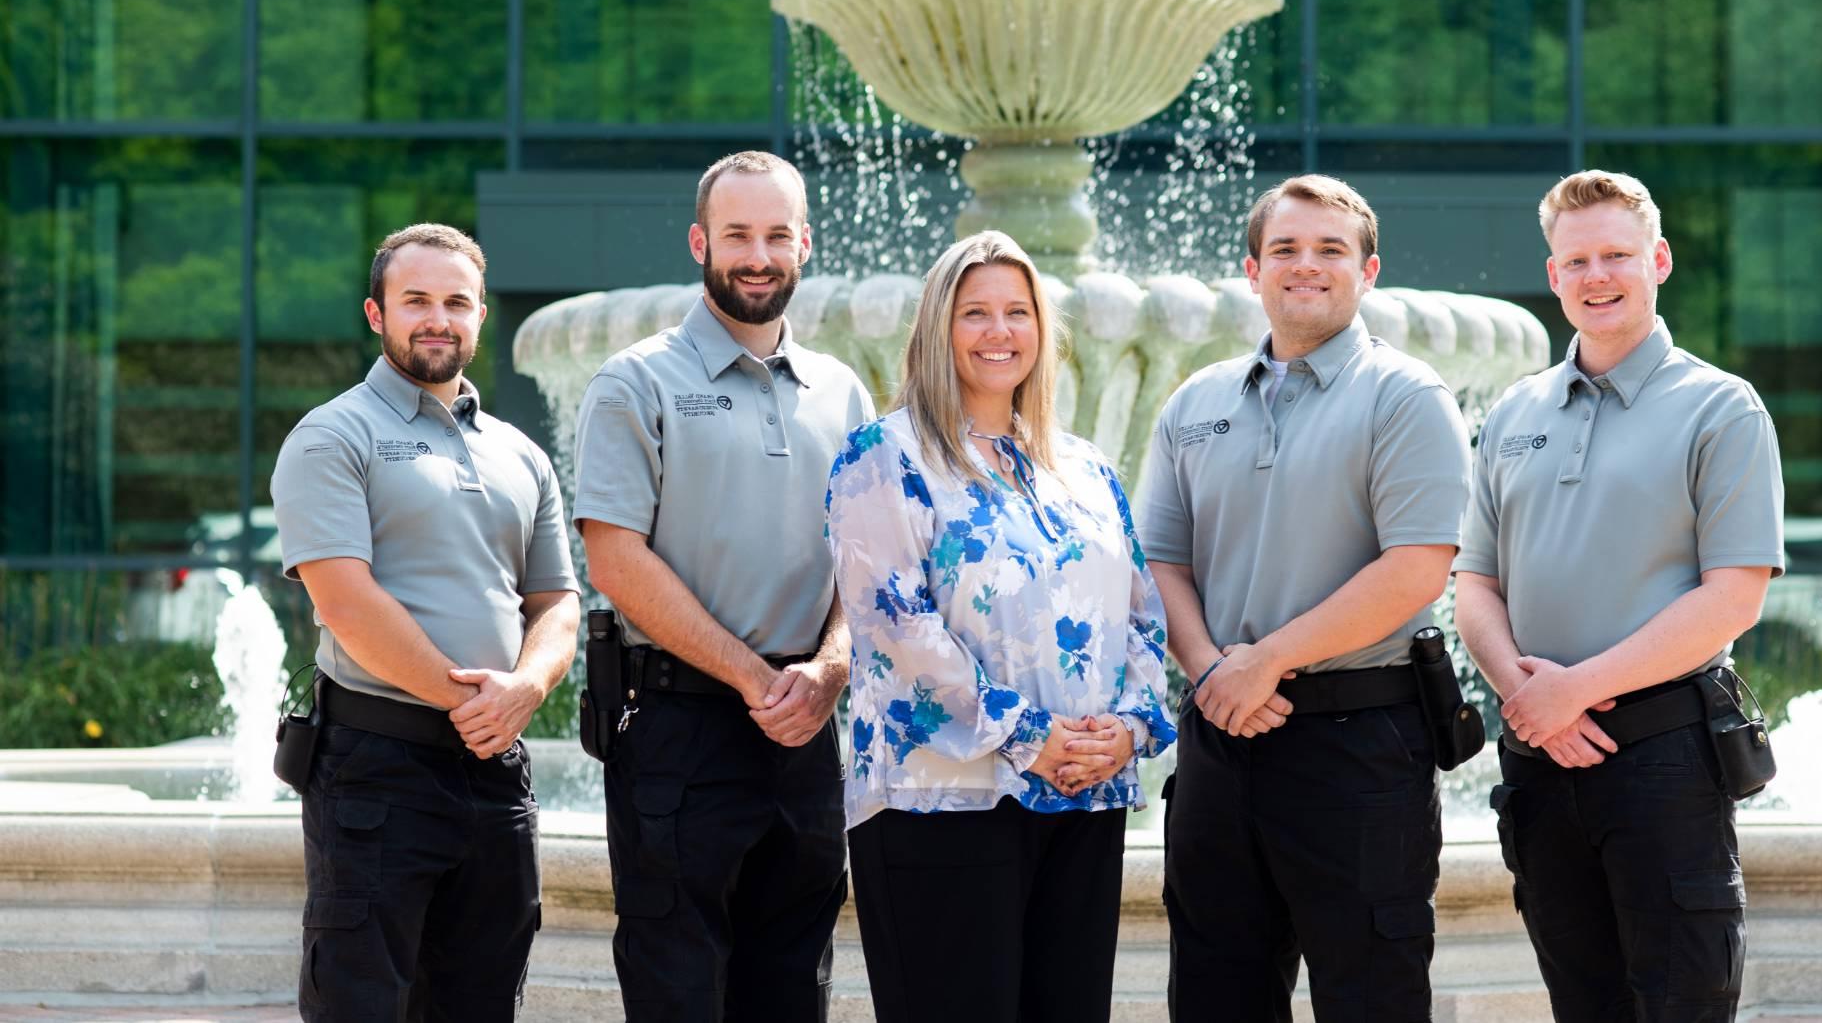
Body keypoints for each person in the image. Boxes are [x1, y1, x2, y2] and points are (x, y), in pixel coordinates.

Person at [1138, 174, 1472, 1021]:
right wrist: (1218, 673)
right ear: (1252, 270)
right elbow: (1157, 564)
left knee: (1371, 997)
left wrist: (1267, 663)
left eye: (1330, 250)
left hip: (1359, 749)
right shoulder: (1194, 404)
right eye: (1285, 249)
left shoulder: (1406, 398)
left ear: (1369, 270)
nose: (1306, 266)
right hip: (1220, 742)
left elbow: (1416, 569)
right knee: (1215, 995)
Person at [1453, 169, 1783, 1022]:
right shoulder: (1514, 412)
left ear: (1659, 260)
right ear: (1554, 274)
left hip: (1663, 755)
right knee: (1582, 1005)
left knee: (1681, 1002)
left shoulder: (1721, 408)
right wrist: (1531, 698)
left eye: (1616, 256)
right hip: (1536, 756)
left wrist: (1576, 689)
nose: (1597, 276)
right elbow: (1476, 584)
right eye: (1577, 260)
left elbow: (1734, 597)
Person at [825, 229, 1176, 1023]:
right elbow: (896, 627)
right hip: (943, 803)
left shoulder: (1083, 468)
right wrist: (1030, 736)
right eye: (974, 312)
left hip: (1084, 800)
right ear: (937, 328)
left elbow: (1140, 615)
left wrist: (1126, 729)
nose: (999, 332)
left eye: (1018, 312)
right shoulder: (885, 455)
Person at [571, 151, 874, 1021]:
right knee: (679, 988)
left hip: (806, 729)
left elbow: (867, 558)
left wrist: (831, 668)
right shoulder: (637, 381)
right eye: (737, 233)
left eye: (777, 234)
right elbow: (616, 560)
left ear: (805, 244)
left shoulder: (842, 393)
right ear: (700, 241)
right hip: (678, 729)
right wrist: (753, 678)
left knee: (793, 986)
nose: (758, 253)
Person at [271, 222, 580, 1023]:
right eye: (416, 300)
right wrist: (475, 701)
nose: (436, 317)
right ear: (377, 314)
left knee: (483, 1003)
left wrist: (525, 688)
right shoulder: (333, 436)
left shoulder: (523, 455)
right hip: (376, 766)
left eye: (456, 302)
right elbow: (344, 601)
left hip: (495, 771)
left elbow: (556, 603)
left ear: (480, 317)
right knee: (362, 1006)